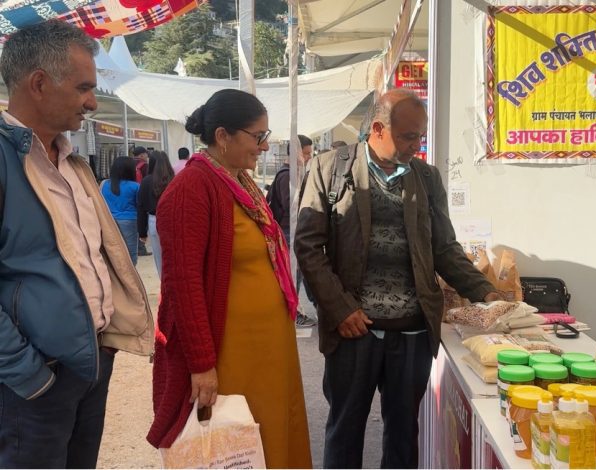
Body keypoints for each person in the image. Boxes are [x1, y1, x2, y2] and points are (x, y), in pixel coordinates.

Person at [295, 88, 501, 468]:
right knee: (345, 430)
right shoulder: (328, 168)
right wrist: (341, 309)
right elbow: (309, 248)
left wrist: (487, 293)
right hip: (353, 332)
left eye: (420, 136)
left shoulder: (426, 178)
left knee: (404, 434)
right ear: (377, 128)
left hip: (412, 334)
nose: (416, 145)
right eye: (408, 136)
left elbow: (445, 249)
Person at [0, 20, 154, 468]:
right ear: (40, 84)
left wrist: (103, 343)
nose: (92, 100)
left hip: (88, 365)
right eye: (84, 87)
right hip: (32, 380)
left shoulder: (71, 162)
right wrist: (27, 374)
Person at [147, 89, 312, 468]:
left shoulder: (236, 181)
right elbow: (183, 286)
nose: (265, 146)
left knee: (273, 435)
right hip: (232, 354)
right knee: (242, 445)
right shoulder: (192, 189)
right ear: (223, 136)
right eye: (258, 137)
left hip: (267, 349)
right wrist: (202, 364)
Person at [267, 134, 317, 327]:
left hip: (293, 230)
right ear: (296, 153)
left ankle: (305, 309)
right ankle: (292, 312)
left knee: (304, 273)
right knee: (293, 274)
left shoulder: (290, 173)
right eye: (306, 153)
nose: (308, 158)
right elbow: (292, 206)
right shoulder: (287, 175)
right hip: (289, 231)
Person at [138, 150, 175, 276]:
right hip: (174, 220)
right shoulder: (174, 179)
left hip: (154, 220)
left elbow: (141, 207)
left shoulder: (146, 181)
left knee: (159, 258)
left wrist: (142, 232)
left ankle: (163, 285)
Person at [101, 156, 141, 265]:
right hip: (129, 221)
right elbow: (139, 206)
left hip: (108, 221)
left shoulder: (104, 184)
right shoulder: (135, 186)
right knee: (130, 253)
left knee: (111, 251)